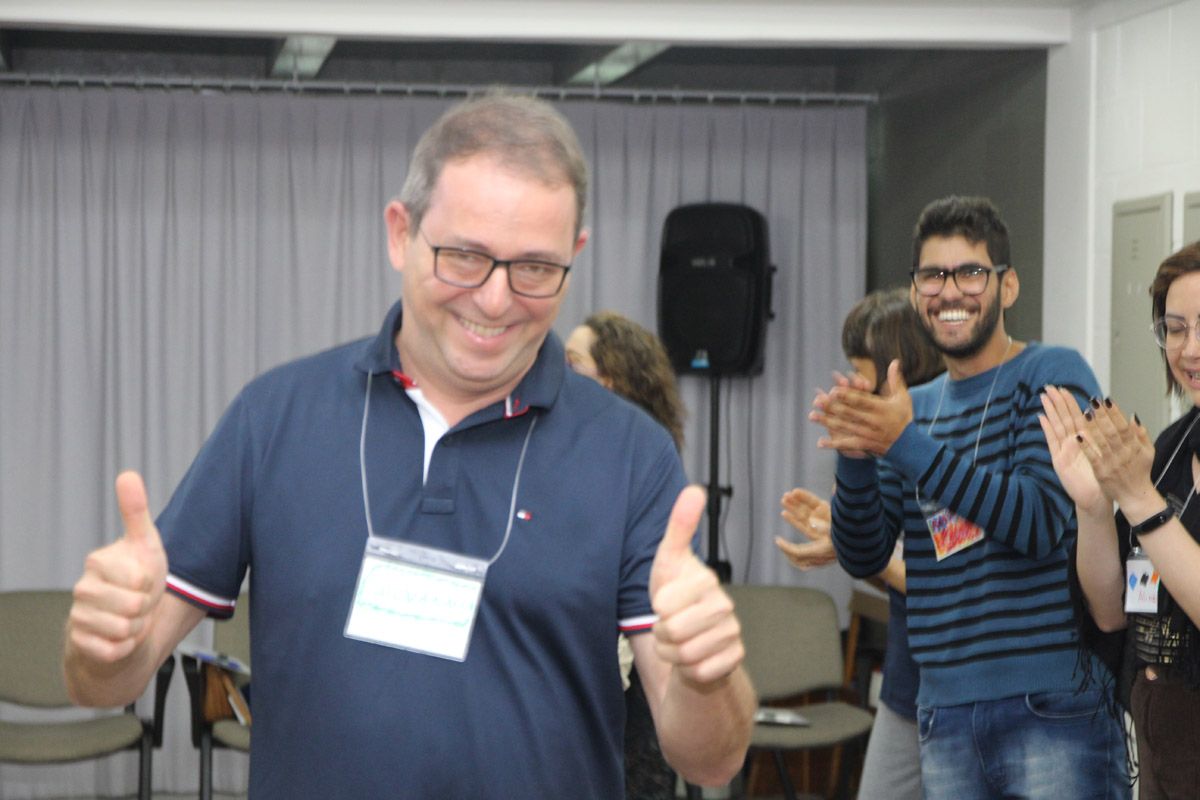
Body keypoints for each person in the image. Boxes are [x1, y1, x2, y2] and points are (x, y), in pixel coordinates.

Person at [63, 92, 755, 799]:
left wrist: (710, 679)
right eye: (464, 256)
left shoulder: (632, 456)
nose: (495, 299)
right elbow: (103, 684)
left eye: (534, 268)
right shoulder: (274, 419)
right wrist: (102, 645)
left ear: (573, 256)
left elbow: (711, 762)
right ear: (401, 233)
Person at [810, 195, 1128, 799]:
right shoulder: (915, 407)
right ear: (915, 292)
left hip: (1054, 704)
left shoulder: (1052, 373)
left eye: (970, 273)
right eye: (933, 276)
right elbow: (863, 552)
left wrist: (902, 443)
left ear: (1008, 286)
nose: (949, 291)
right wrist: (856, 457)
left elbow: (1038, 521)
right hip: (945, 713)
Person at [1040, 240, 1200, 799]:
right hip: (1164, 752)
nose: (1190, 349)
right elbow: (1112, 613)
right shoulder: (1172, 449)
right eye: (1175, 329)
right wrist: (1094, 508)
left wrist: (1139, 500)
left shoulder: (1149, 475)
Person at [775, 287, 943, 800]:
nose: (852, 387)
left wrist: (858, 551)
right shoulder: (882, 448)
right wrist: (846, 533)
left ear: (900, 366)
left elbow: (948, 578)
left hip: (956, 687)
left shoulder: (944, 441)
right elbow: (885, 548)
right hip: (906, 683)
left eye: (860, 371)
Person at [565, 309, 686, 800]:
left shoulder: (645, 464)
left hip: (630, 688)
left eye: (573, 364)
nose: (558, 376)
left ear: (610, 381)